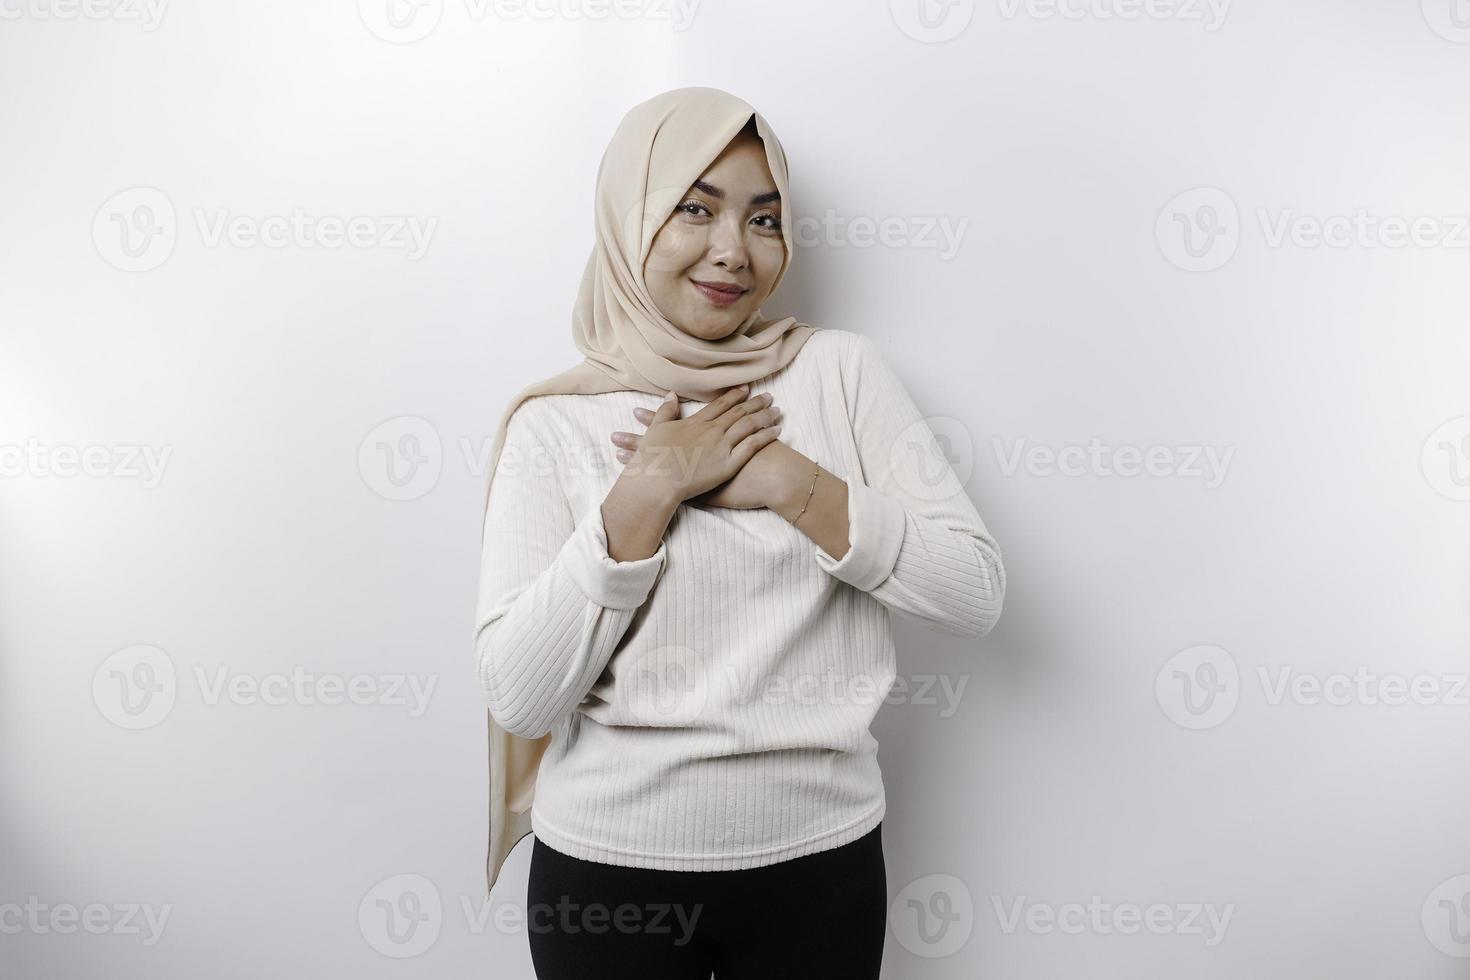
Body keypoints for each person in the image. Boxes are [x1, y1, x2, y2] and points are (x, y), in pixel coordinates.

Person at [474, 85, 1006, 980]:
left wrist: (786, 482)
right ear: (627, 218)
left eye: (764, 219)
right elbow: (519, 698)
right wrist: (645, 494)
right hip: (609, 883)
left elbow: (974, 592)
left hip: (820, 868)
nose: (733, 251)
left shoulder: (839, 374)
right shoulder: (553, 425)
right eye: (695, 208)